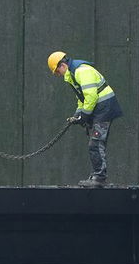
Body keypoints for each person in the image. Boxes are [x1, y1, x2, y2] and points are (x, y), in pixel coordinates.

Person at [48, 50, 123, 187]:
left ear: (62, 66)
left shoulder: (81, 71)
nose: (58, 75)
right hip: (101, 108)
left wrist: (84, 116)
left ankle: (99, 178)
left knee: (95, 143)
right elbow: (81, 98)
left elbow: (91, 96)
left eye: (57, 72)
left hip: (104, 108)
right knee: (95, 143)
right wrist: (78, 115)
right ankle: (97, 175)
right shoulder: (73, 74)